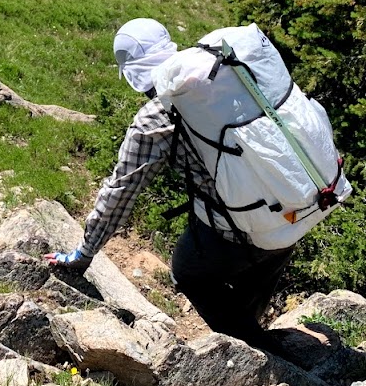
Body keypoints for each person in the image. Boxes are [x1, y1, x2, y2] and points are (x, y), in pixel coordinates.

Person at [45, 18, 297, 353]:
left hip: (246, 227)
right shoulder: (223, 78)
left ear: (133, 74)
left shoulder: (155, 117)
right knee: (256, 258)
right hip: (296, 206)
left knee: (187, 270)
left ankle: (258, 354)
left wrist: (85, 252)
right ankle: (250, 328)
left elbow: (121, 192)